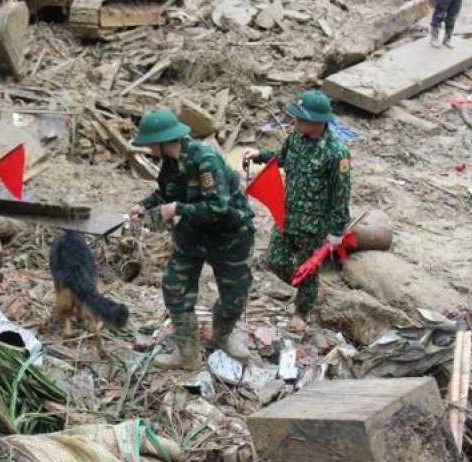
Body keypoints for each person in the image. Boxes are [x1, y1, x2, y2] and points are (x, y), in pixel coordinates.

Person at [128, 109, 255, 370]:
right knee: (175, 287)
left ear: (164, 141)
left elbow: (217, 207)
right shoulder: (171, 163)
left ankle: (221, 335)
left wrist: (177, 209)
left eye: (151, 144)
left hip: (230, 235)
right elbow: (167, 192)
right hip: (194, 232)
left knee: (234, 296)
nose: (148, 149)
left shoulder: (205, 159)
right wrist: (144, 205)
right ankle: (188, 353)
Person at [244, 89, 351, 332]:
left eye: (301, 118)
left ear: (318, 121)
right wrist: (259, 155)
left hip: (314, 226)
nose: (295, 122)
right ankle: (307, 287)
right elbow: (281, 158)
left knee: (308, 269)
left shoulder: (336, 152)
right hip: (287, 215)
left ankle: (302, 312)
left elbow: (341, 194)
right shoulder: (295, 138)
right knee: (275, 260)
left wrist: (337, 231)